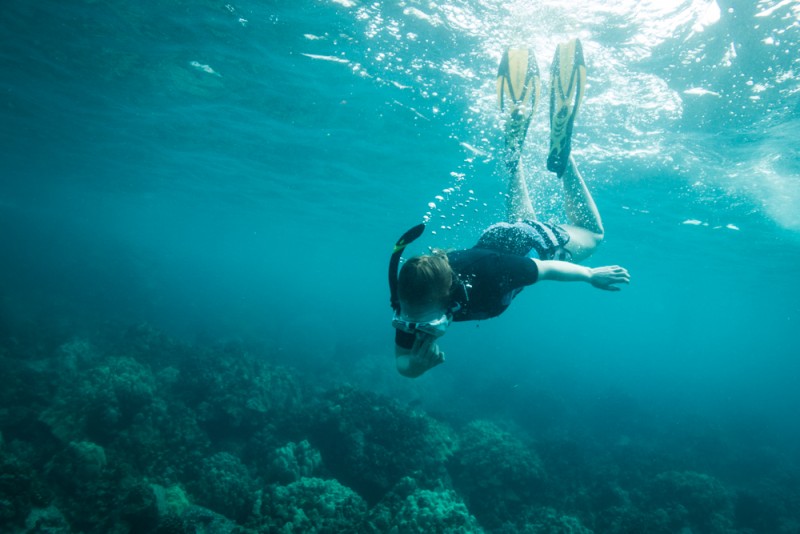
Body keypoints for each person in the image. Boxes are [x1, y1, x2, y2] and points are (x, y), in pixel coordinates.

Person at [389, 39, 630, 378]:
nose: (417, 329)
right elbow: (402, 364)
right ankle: (514, 157)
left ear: (447, 297)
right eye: (406, 321)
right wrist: (414, 365)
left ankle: (565, 161)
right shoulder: (413, 299)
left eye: (423, 323)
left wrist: (590, 275)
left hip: (518, 246)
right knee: (520, 226)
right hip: (499, 237)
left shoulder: (493, 275)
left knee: (593, 235)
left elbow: (546, 270)